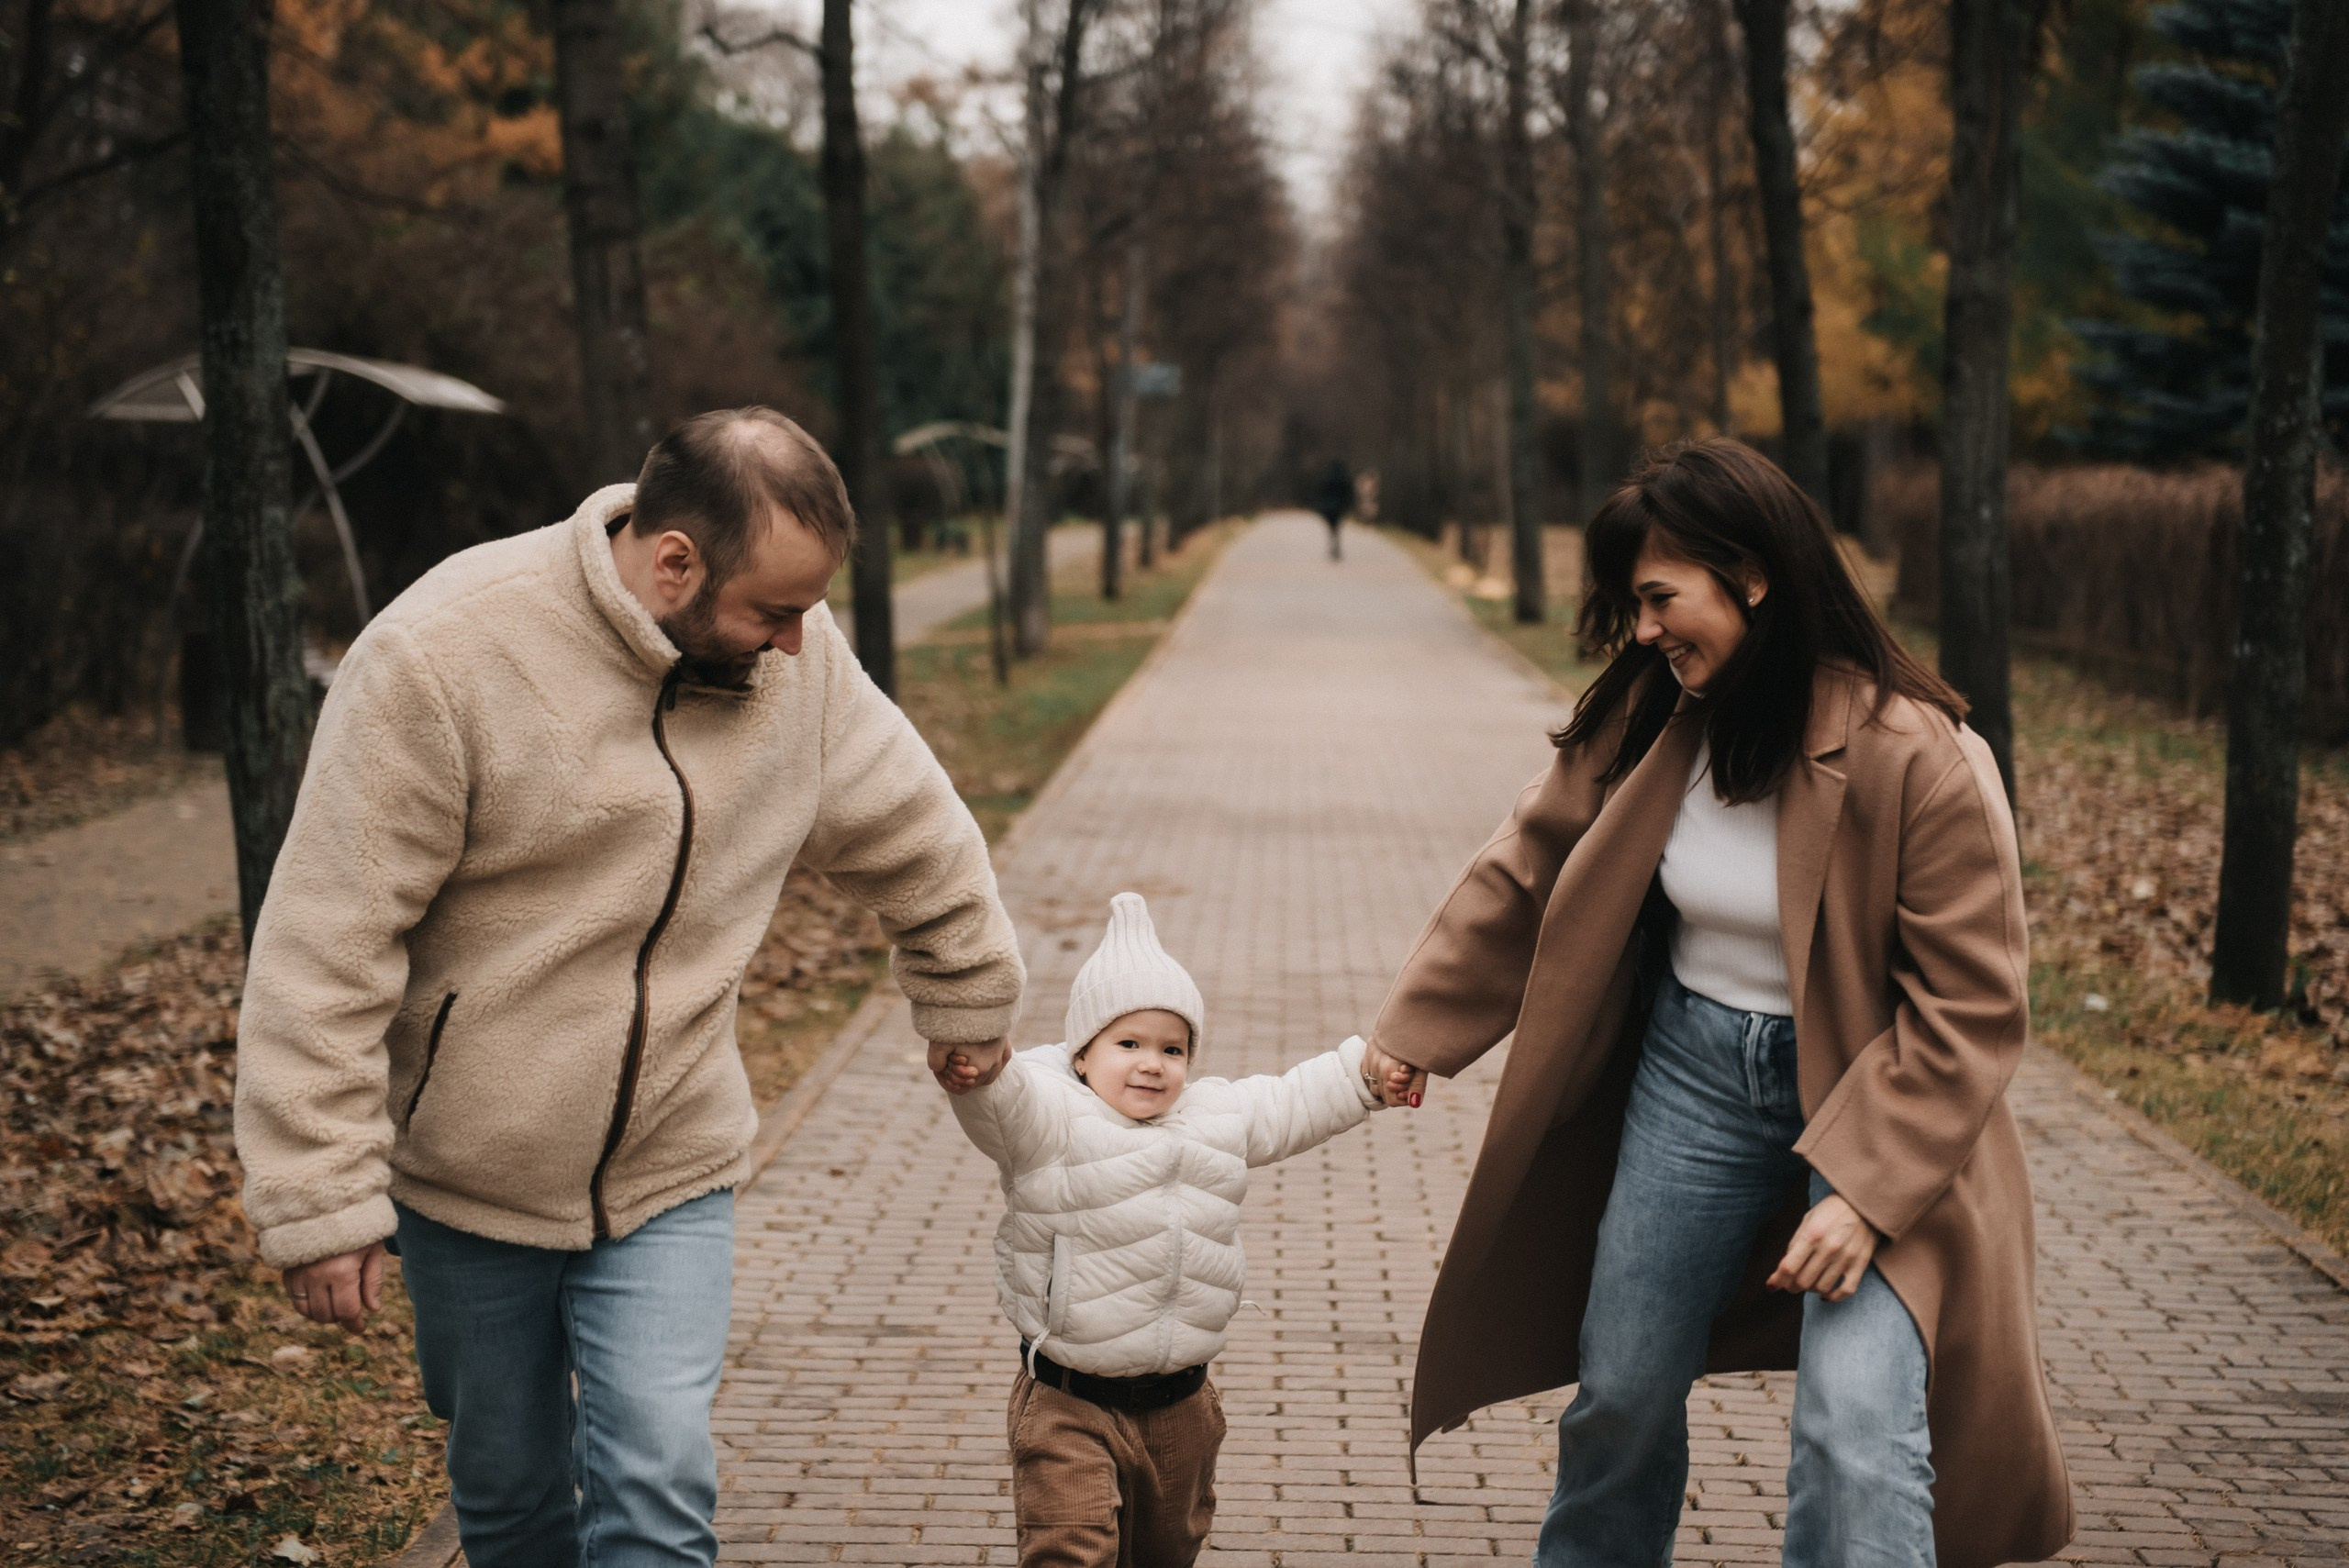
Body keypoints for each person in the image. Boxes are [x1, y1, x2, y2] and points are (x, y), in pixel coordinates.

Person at [232, 406, 1027, 1568]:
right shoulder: (444, 655)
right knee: (509, 1499)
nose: (801, 644)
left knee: (655, 1479)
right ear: (674, 564)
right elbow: (326, 941)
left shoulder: (797, 674)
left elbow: (918, 833)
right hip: (468, 1175)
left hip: (670, 1160)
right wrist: (316, 1188)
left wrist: (968, 1000)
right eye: (776, 611)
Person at [1359, 439, 2073, 1567]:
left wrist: (1868, 1192)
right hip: (1692, 1081)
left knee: (1855, 1432)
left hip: (1870, 1101)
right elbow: (1529, 864)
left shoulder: (1917, 756)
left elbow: (1971, 1009)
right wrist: (1414, 1032)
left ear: (1750, 576)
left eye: (1658, 597)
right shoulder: (1649, 718)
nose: (1643, 630)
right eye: (1633, 604)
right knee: (1622, 1393)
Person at [946, 892, 1405, 1567]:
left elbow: (1295, 1100)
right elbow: (1002, 1103)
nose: (1151, 1062)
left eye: (1172, 1046)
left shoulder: (1214, 1117)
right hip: (1070, 1400)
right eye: (1127, 1043)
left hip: (1182, 1404)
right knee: (1071, 1549)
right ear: (1083, 1055)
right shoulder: (1050, 1122)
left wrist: (1367, 1073)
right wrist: (978, 1071)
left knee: (1168, 1550)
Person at [1313, 457, 1353, 561]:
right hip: (1339, 508)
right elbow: (1348, 494)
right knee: (1337, 528)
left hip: (1329, 508)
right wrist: (1348, 506)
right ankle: (1336, 545)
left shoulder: (1327, 478)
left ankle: (1333, 545)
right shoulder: (1344, 479)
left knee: (1331, 529)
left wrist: (1321, 506)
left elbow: (1321, 493)